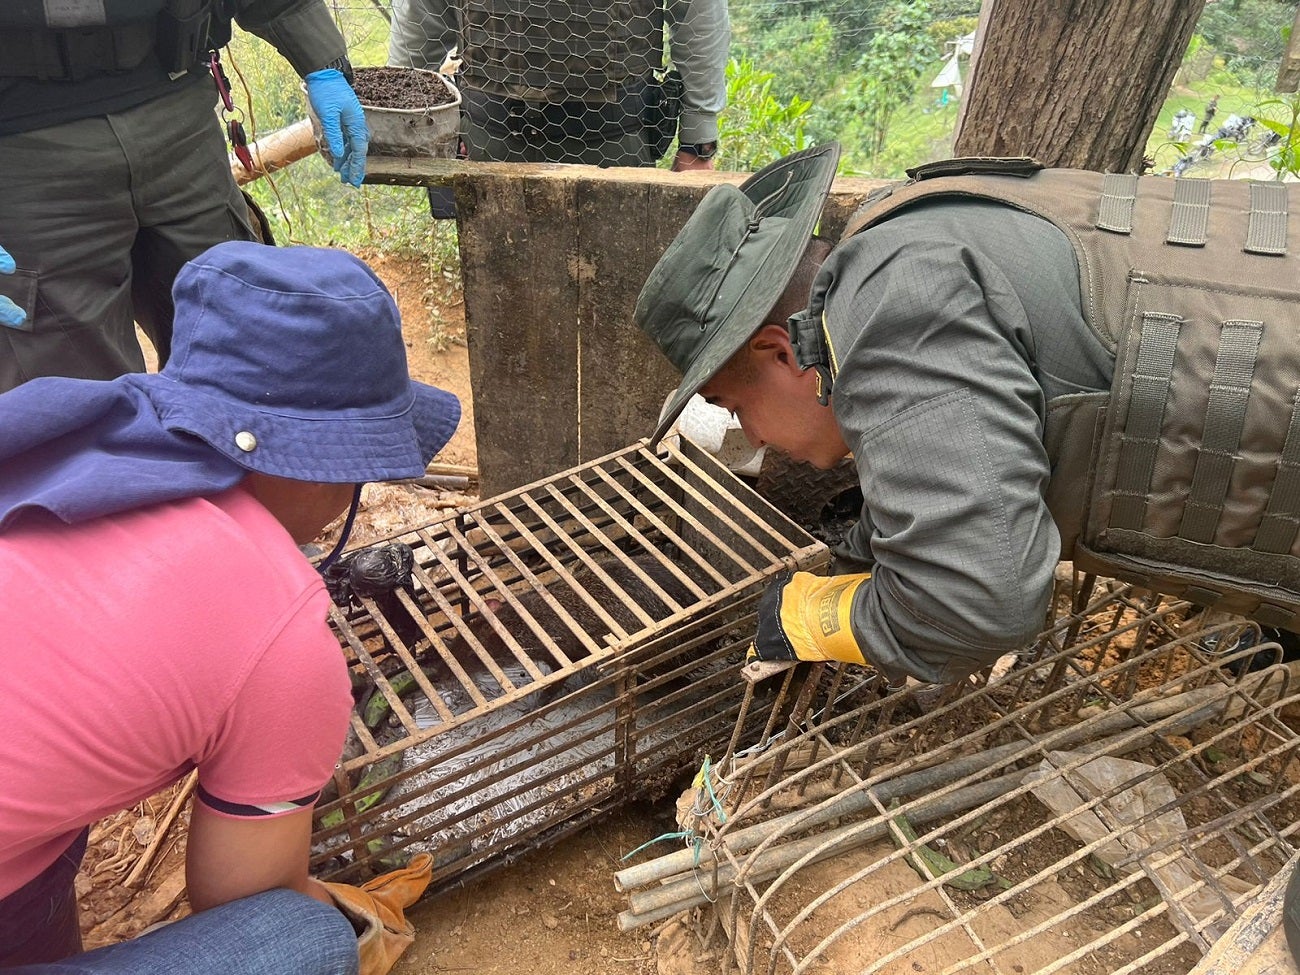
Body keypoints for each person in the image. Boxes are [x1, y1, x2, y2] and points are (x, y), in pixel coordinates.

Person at [634, 144, 1300, 686]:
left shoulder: (890, 313)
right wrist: (869, 543)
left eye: (736, 407)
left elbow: (977, 604)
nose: (752, 436)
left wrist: (822, 615)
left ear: (780, 354)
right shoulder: (897, 230)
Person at [0, 240, 462, 972]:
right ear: (323, 464)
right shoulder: (277, 628)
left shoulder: (63, 438)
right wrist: (341, 914)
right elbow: (242, 897)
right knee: (298, 939)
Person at [0, 0, 370, 392]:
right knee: (73, 414)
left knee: (248, 363)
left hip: (179, 110)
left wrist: (319, 58)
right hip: (21, 157)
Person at [387, 0, 728, 171]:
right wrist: (408, 121)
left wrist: (699, 139)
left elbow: (698, 10)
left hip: (609, 137)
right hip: (490, 133)